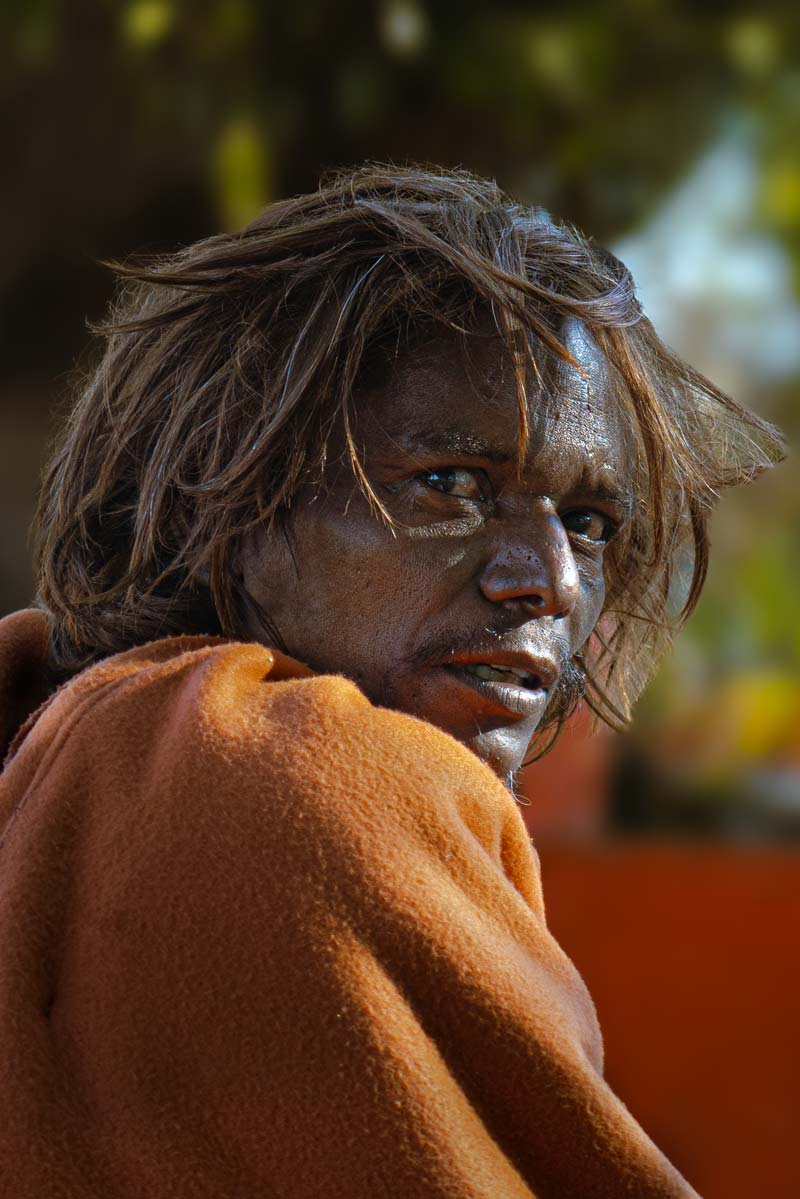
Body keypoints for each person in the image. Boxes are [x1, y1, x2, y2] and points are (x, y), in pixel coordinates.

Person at [0, 166, 782, 1198]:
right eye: (450, 485)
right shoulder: (286, 774)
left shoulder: (76, 751)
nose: (545, 581)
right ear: (220, 500)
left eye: (587, 523)